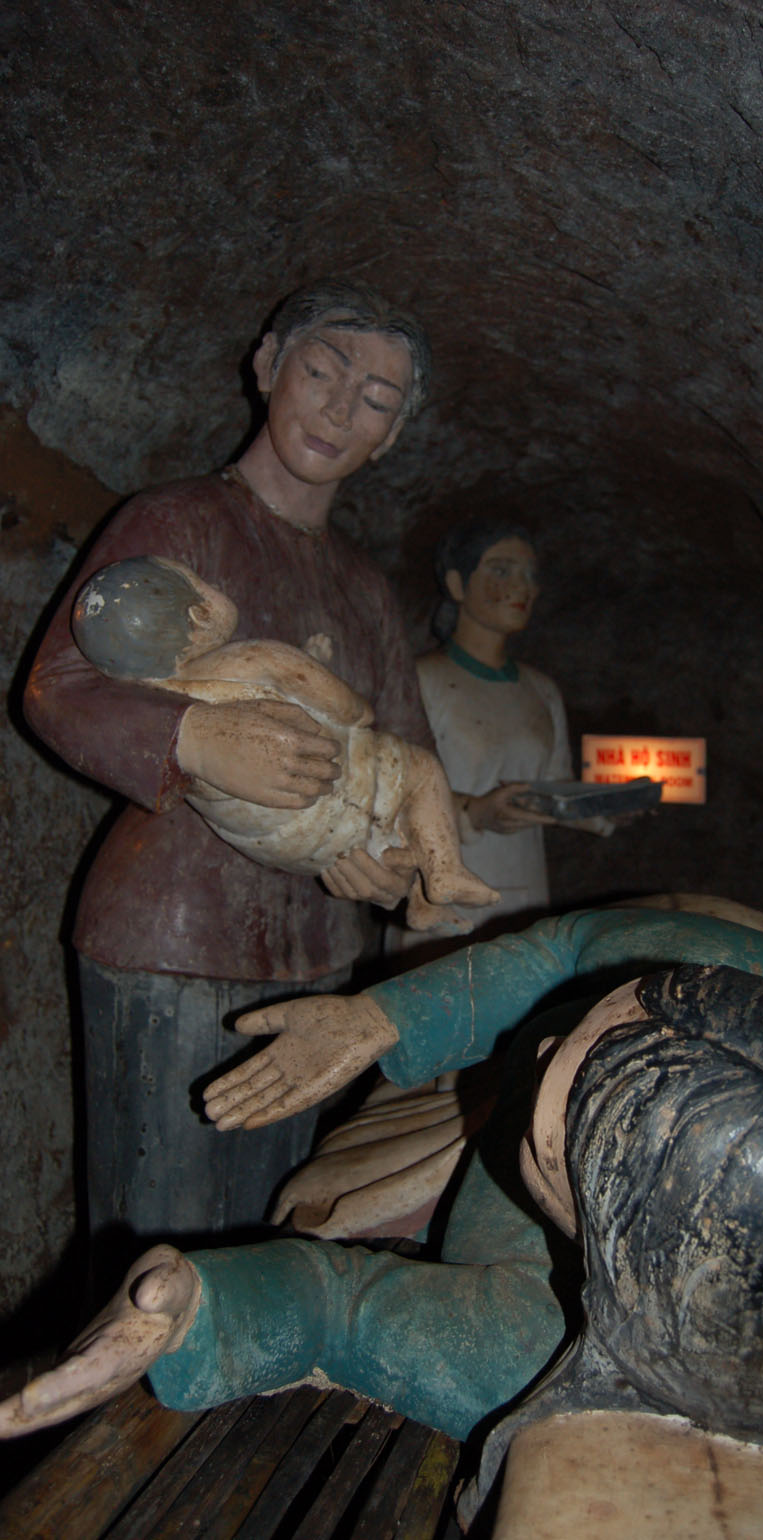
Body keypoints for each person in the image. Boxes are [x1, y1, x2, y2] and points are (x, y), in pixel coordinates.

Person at [2, 906, 763, 1524]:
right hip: (722, 956)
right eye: (565, 1046)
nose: (533, 1050)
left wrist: (195, 1307)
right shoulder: (728, 982)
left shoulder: (526, 1344)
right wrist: (381, 1017)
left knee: (338, 1197)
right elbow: (567, 952)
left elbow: (334, 1306)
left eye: (550, 1118)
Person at [23, 279, 436, 1242]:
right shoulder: (177, 521)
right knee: (163, 1242)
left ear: (391, 435)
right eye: (323, 371)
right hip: (175, 937)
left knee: (281, 1232)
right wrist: (195, 738)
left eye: (375, 399)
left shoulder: (364, 589)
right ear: (267, 366)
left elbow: (408, 758)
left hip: (320, 951)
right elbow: (59, 687)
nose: (339, 409)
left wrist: (391, 858)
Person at [71, 556, 499, 930]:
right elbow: (347, 708)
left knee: (390, 844)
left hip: (295, 851)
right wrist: (349, 706)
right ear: (200, 615)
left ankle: (421, 899)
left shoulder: (161, 694)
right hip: (337, 795)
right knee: (420, 772)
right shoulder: (251, 659)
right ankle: (444, 871)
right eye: (203, 581)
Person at [413, 517, 574, 932]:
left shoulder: (542, 691)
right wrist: (475, 812)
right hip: (445, 893)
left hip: (523, 889)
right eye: (501, 570)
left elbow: (557, 787)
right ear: (457, 583)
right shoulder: (422, 681)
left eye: (531, 576)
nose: (522, 587)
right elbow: (394, 791)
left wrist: (606, 808)